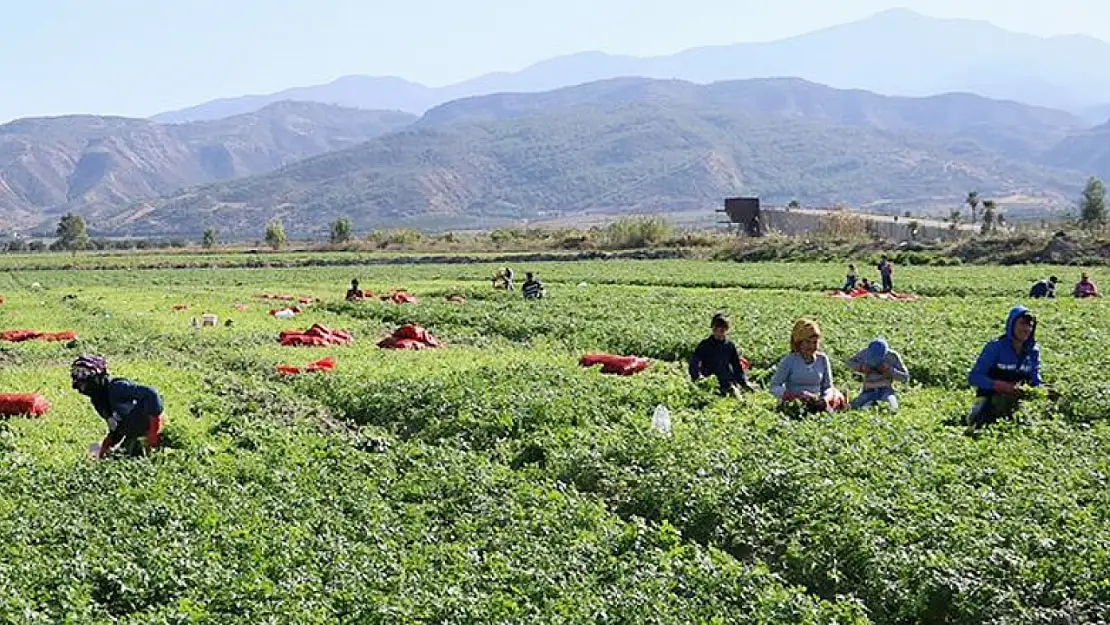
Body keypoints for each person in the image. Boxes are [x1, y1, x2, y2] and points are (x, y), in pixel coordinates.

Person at [965, 305, 1050, 433]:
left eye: (1030, 325)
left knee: (1029, 425)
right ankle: (978, 412)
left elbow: (1034, 378)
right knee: (981, 425)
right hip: (991, 396)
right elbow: (974, 377)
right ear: (1012, 325)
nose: (1026, 329)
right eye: (1022, 324)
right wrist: (999, 385)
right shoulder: (995, 347)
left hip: (1018, 399)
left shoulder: (1033, 351)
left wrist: (1042, 390)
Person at [71, 355, 165, 459]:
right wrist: (105, 447)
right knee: (117, 458)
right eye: (76, 373)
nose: (79, 378)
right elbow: (117, 426)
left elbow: (152, 394)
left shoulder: (117, 388)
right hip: (134, 436)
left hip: (153, 432)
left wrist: (154, 432)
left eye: (84, 373)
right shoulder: (98, 401)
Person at [770, 318, 847, 413]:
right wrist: (794, 395)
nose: (811, 346)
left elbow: (828, 387)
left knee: (835, 397)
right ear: (799, 343)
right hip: (795, 402)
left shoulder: (822, 359)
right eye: (807, 342)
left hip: (817, 401)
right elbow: (774, 386)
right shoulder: (790, 360)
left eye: (815, 342)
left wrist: (825, 399)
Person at [689, 312, 756, 397]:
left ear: (726, 329)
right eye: (716, 327)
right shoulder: (704, 345)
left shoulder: (729, 346)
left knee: (736, 395)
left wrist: (744, 382)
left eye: (722, 328)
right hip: (710, 382)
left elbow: (737, 367)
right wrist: (698, 378)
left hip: (726, 381)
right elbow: (694, 363)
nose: (718, 331)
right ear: (712, 328)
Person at [846, 337, 909, 411]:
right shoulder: (864, 353)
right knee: (853, 406)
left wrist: (890, 370)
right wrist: (861, 367)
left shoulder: (892, 356)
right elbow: (849, 362)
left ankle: (873, 405)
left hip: (886, 390)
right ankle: (869, 405)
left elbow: (905, 377)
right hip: (868, 389)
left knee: (893, 408)